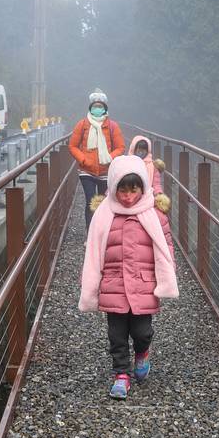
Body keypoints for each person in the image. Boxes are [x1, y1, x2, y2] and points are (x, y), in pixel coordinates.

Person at [78, 155, 178, 400]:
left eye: (133, 189)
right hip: (114, 285)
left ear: (143, 187)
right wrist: (92, 285)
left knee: (142, 331)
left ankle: (142, 353)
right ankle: (121, 374)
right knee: (116, 334)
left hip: (144, 285)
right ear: (113, 187)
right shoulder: (105, 215)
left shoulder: (155, 215)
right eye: (122, 189)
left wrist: (166, 277)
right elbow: (93, 253)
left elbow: (166, 248)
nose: (128, 195)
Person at [68, 89, 126, 229]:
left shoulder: (112, 126)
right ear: (90, 108)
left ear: (105, 108)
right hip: (86, 171)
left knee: (104, 203)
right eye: (95, 106)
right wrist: (83, 160)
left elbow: (120, 147)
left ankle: (103, 232)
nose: (98, 109)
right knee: (90, 201)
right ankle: (90, 234)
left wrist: (109, 158)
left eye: (100, 107)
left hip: (106, 171)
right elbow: (73, 146)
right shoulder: (82, 125)